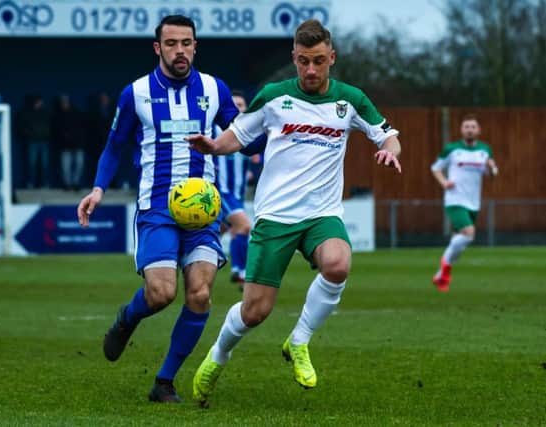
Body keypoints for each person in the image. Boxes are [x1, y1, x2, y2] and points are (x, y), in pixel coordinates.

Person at [187, 19, 402, 407]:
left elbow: (387, 133)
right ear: (294, 58)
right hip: (275, 218)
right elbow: (237, 135)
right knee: (255, 312)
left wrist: (389, 149)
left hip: (322, 215)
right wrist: (212, 146)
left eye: (319, 61)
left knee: (338, 264)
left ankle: (299, 340)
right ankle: (218, 355)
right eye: (303, 61)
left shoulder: (350, 100)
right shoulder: (272, 97)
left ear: (332, 58)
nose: (311, 70)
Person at [76, 15, 239, 403]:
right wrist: (98, 189)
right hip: (157, 207)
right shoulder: (135, 93)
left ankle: (164, 382)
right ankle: (128, 318)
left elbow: (243, 138)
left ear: (195, 46)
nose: (179, 50)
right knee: (162, 293)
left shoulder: (216, 90)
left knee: (199, 295)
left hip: (202, 208)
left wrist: (262, 128)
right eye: (171, 44)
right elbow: (115, 147)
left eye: (186, 43)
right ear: (158, 48)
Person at [431, 115, 498, 291]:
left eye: (473, 127)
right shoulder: (451, 149)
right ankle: (444, 266)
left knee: (459, 242)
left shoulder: (485, 150)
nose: (470, 129)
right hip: (455, 199)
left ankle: (441, 276)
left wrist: (492, 168)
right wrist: (444, 182)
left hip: (474, 202)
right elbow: (435, 168)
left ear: (478, 130)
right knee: (469, 233)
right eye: (466, 126)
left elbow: (491, 174)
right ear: (462, 130)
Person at [213, 90, 264, 287]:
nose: (237, 109)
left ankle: (189, 257)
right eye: (233, 105)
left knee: (220, 231)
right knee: (243, 225)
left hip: (238, 193)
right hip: (222, 191)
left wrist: (252, 172)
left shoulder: (249, 133)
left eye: (241, 105)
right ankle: (240, 271)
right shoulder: (219, 130)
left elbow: (256, 156)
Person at [51, 94, 86, 191]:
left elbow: (82, 128)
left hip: (78, 144)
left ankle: (76, 184)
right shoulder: (57, 115)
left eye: (66, 101)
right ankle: (68, 185)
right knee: (65, 167)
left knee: (79, 164)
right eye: (62, 101)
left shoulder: (77, 113)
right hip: (64, 146)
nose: (64, 103)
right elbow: (56, 131)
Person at [15, 94, 51, 188]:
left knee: (44, 164)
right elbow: (21, 127)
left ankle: (44, 183)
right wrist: (31, 134)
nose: (41, 103)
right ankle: (30, 183)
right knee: (32, 164)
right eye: (39, 101)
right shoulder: (26, 113)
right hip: (32, 142)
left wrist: (46, 134)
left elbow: (50, 126)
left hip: (44, 141)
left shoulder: (45, 113)